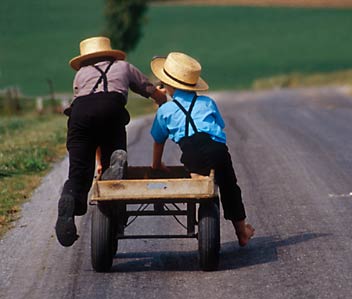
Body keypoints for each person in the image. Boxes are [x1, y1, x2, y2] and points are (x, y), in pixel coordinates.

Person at [55, 36, 166, 247]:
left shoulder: (80, 74)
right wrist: (162, 100)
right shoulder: (124, 67)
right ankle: (114, 168)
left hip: (79, 117)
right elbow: (148, 89)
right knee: (113, 166)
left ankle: (71, 199)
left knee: (78, 174)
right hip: (112, 112)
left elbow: (84, 104)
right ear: (110, 52)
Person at [149, 52, 254, 246]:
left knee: (199, 185)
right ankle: (242, 231)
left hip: (192, 154)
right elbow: (220, 125)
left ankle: (201, 204)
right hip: (217, 149)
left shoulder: (165, 110)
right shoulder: (208, 103)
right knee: (230, 187)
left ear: (168, 86)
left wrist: (156, 165)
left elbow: (158, 140)